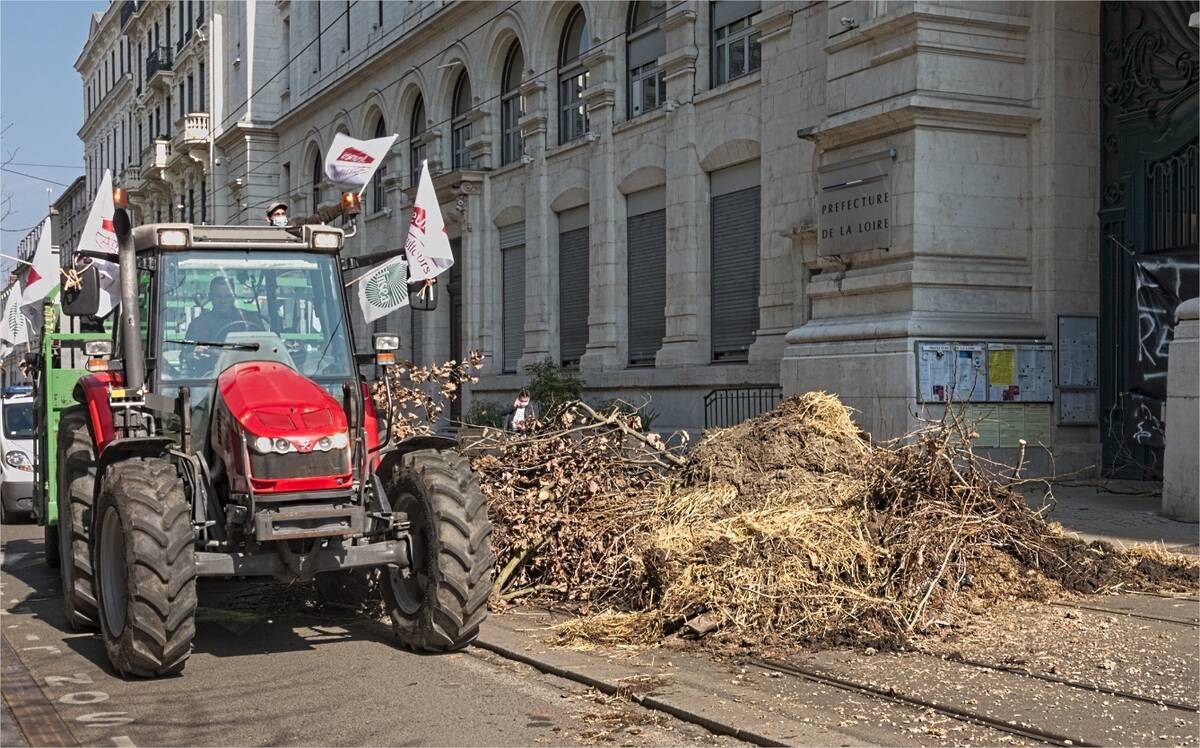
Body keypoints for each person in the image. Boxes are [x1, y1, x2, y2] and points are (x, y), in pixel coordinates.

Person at [185, 277, 266, 343]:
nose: (223, 301)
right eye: (218, 296)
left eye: (228, 296)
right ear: (210, 297)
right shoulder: (199, 324)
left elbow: (263, 347)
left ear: (234, 297)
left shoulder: (250, 319)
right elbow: (187, 353)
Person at [266, 202, 344, 228]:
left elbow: (318, 218)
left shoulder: (294, 227)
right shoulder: (265, 234)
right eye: (277, 214)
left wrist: (342, 206)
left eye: (283, 214)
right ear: (269, 219)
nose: (281, 216)